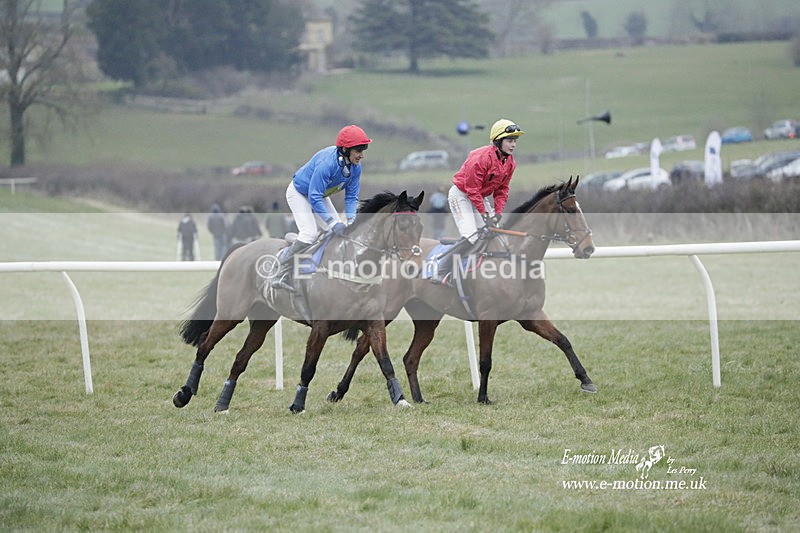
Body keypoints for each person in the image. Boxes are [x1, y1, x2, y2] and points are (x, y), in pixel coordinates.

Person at [271, 124, 372, 289]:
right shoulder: (328, 163)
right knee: (309, 233)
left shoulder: (355, 167)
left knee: (336, 232)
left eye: (363, 150)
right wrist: (333, 222)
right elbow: (314, 197)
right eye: (359, 150)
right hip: (300, 193)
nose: (362, 155)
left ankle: (323, 269)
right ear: (346, 150)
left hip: (319, 195)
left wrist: (352, 220)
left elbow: (352, 196)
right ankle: (279, 268)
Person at [432, 119, 524, 285]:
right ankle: (442, 270)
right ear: (498, 141)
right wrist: (484, 214)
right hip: (461, 194)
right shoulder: (480, 158)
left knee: (492, 234)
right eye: (510, 141)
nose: (513, 145)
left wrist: (497, 213)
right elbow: (472, 190)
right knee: (471, 237)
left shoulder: (510, 163)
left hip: (478, 197)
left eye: (515, 141)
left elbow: (502, 190)